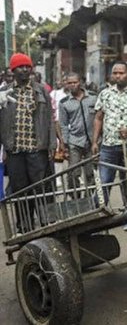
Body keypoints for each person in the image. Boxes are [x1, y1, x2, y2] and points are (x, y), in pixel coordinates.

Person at [0, 53, 57, 233]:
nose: (25, 70)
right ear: (13, 70)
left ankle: (47, 222)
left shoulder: (41, 91)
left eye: (27, 67)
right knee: (19, 189)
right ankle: (25, 226)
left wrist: (52, 145)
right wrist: (3, 148)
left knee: (41, 187)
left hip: (37, 148)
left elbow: (49, 119)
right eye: (20, 67)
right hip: (14, 149)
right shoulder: (5, 93)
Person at [92, 62, 127, 230]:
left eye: (121, 73)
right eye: (115, 73)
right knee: (104, 181)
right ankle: (98, 217)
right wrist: (95, 141)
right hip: (108, 145)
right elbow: (98, 118)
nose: (118, 76)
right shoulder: (105, 94)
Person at [59, 73, 97, 198]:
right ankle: (76, 199)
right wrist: (65, 143)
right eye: (69, 83)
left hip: (92, 141)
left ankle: (89, 199)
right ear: (66, 84)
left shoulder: (93, 98)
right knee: (73, 173)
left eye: (75, 82)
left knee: (91, 173)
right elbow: (63, 124)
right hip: (74, 142)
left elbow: (100, 118)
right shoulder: (64, 103)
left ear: (80, 82)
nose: (72, 85)